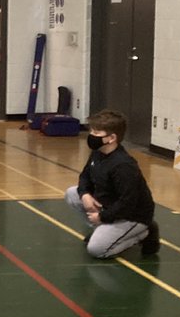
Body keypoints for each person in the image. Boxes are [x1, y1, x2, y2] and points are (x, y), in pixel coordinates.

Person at [65, 108, 160, 258]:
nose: (91, 136)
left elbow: (128, 203)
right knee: (72, 193)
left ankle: (144, 233)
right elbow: (85, 177)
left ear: (112, 138)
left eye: (96, 133)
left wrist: (102, 217)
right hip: (110, 206)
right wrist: (85, 195)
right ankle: (105, 231)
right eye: (92, 132)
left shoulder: (123, 166)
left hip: (132, 216)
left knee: (97, 250)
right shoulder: (98, 153)